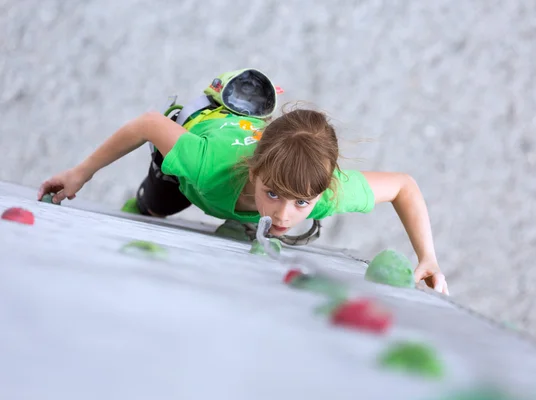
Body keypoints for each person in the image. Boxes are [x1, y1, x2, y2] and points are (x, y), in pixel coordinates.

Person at [37, 68, 449, 295]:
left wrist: (427, 256)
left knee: (264, 225)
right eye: (272, 193)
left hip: (248, 162)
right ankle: (155, 203)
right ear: (252, 169)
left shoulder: (326, 191)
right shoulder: (206, 163)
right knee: (156, 206)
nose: (286, 215)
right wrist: (80, 173)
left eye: (301, 203)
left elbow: (403, 185)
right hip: (196, 153)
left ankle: (245, 222)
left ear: (322, 192)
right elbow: (148, 123)